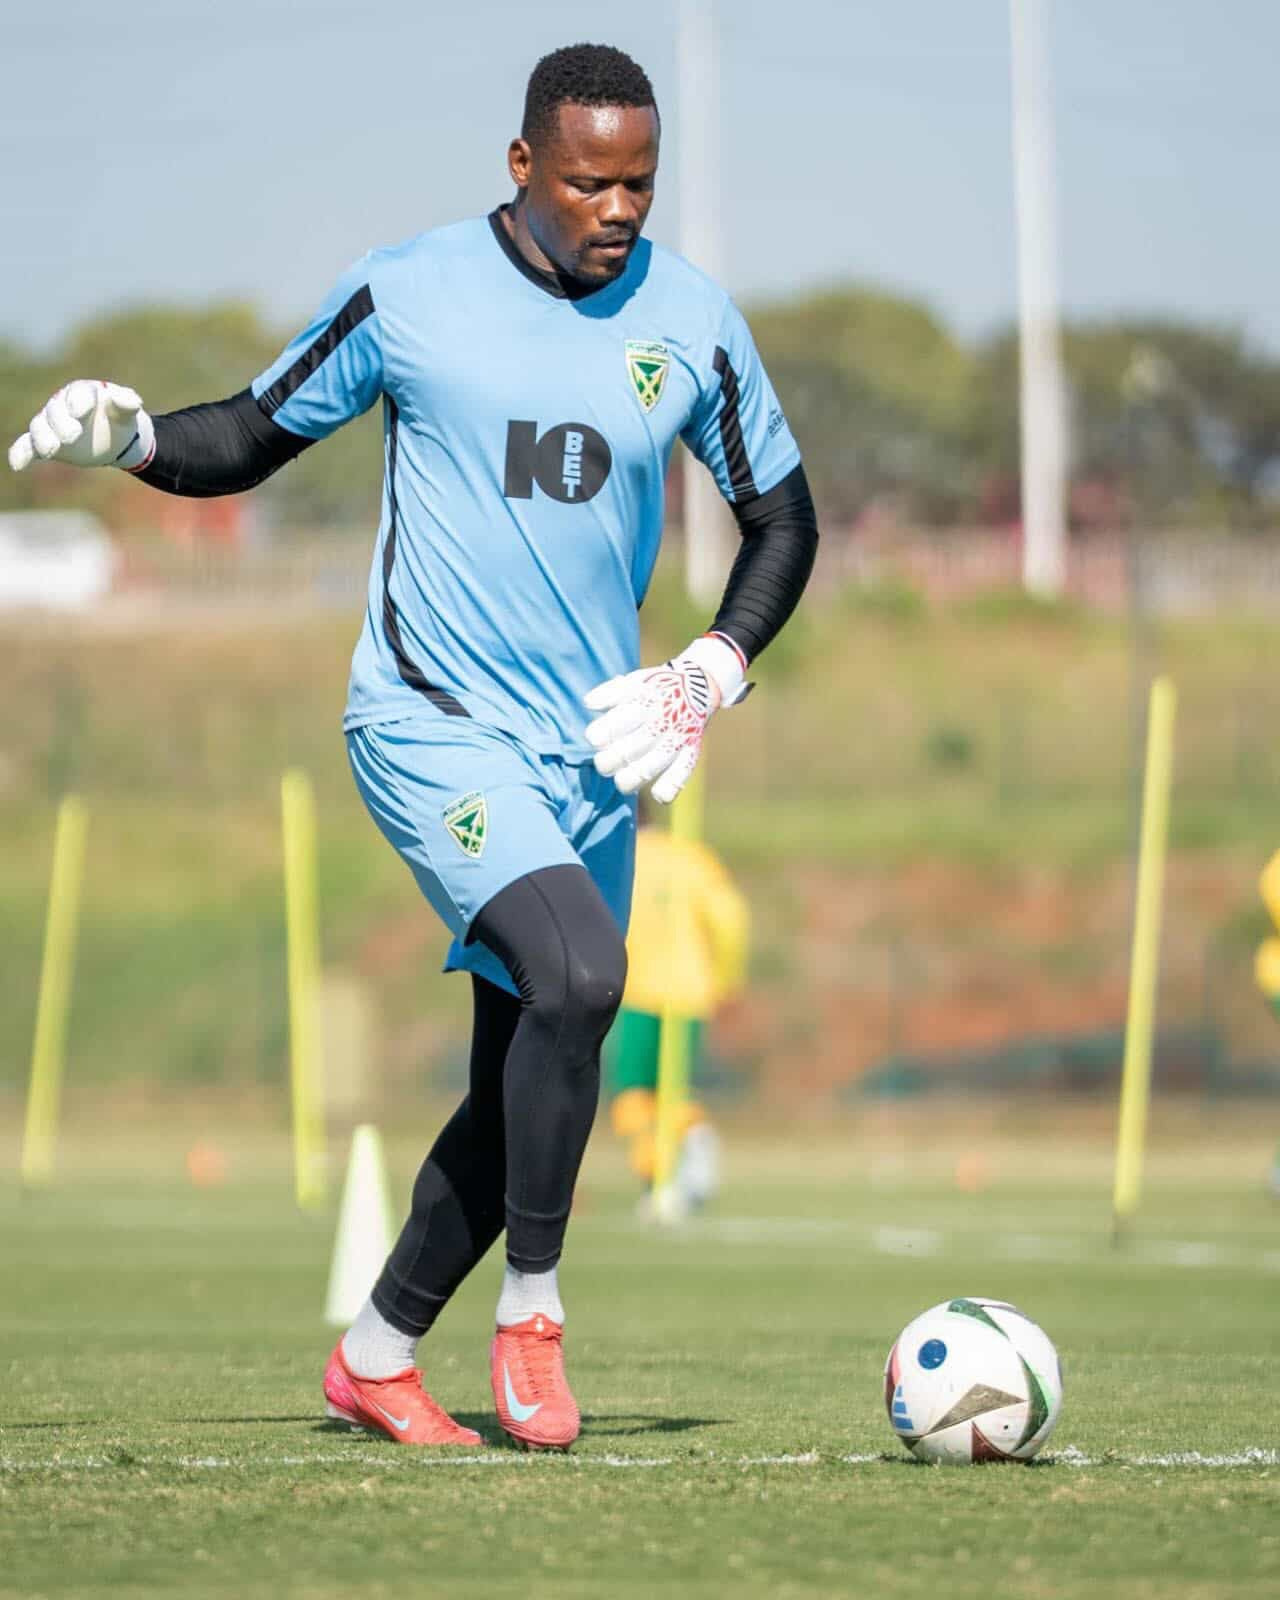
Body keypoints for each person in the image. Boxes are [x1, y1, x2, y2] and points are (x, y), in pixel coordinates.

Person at [9, 42, 818, 1451]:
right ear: (522, 167)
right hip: (428, 722)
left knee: (532, 1066)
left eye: (638, 181)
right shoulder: (409, 290)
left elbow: (787, 521)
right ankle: (534, 1320)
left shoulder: (693, 321)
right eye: (586, 182)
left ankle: (378, 1356)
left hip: (594, 756)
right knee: (580, 974)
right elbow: (252, 435)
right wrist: (131, 436)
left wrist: (710, 667)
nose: (617, 208)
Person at [608, 799, 750, 1214]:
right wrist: (726, 978)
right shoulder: (690, 857)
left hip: (638, 993)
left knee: (634, 1098)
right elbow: (730, 917)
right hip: (689, 993)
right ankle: (681, 1165)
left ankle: (671, 1169)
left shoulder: (619, 861)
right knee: (669, 1093)